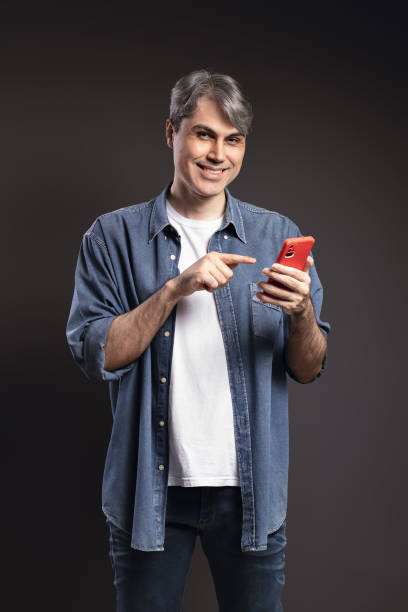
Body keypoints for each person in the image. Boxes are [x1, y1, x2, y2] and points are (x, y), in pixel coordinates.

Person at [66, 68, 331, 612]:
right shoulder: (111, 237)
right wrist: (175, 289)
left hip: (250, 495)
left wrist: (301, 311)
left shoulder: (276, 235)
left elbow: (308, 366)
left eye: (233, 139)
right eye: (203, 134)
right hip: (149, 494)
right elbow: (97, 352)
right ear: (172, 133)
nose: (218, 154)